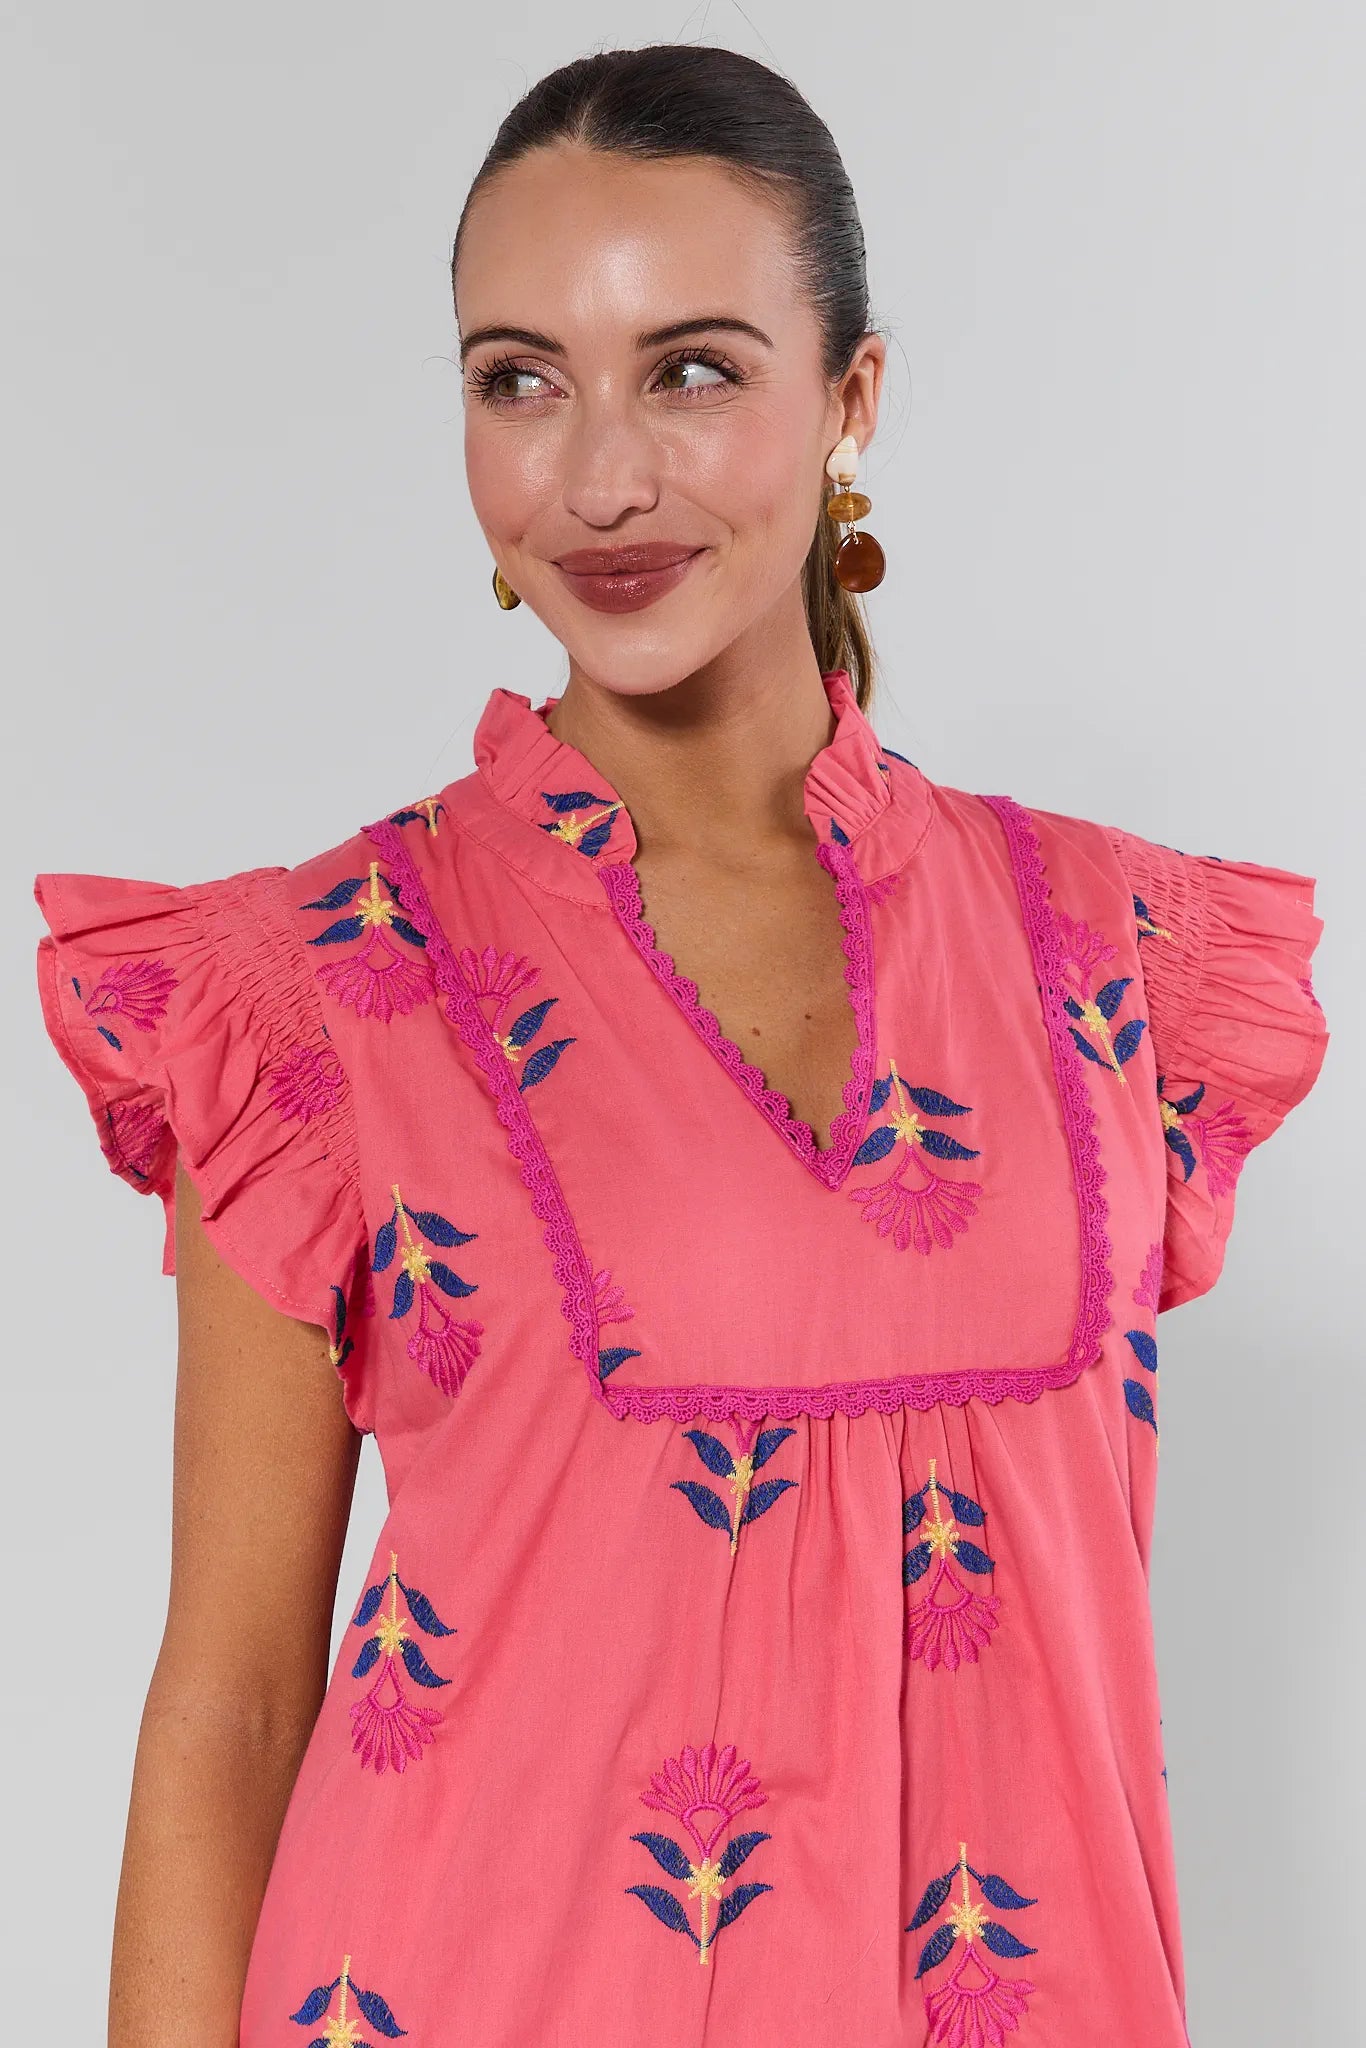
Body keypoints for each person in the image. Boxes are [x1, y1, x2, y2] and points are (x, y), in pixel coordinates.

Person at [33, 43, 1329, 2048]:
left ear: (851, 401)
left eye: (693, 367)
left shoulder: (1114, 959)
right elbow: (233, 1701)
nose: (597, 474)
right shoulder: (316, 992)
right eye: (516, 378)